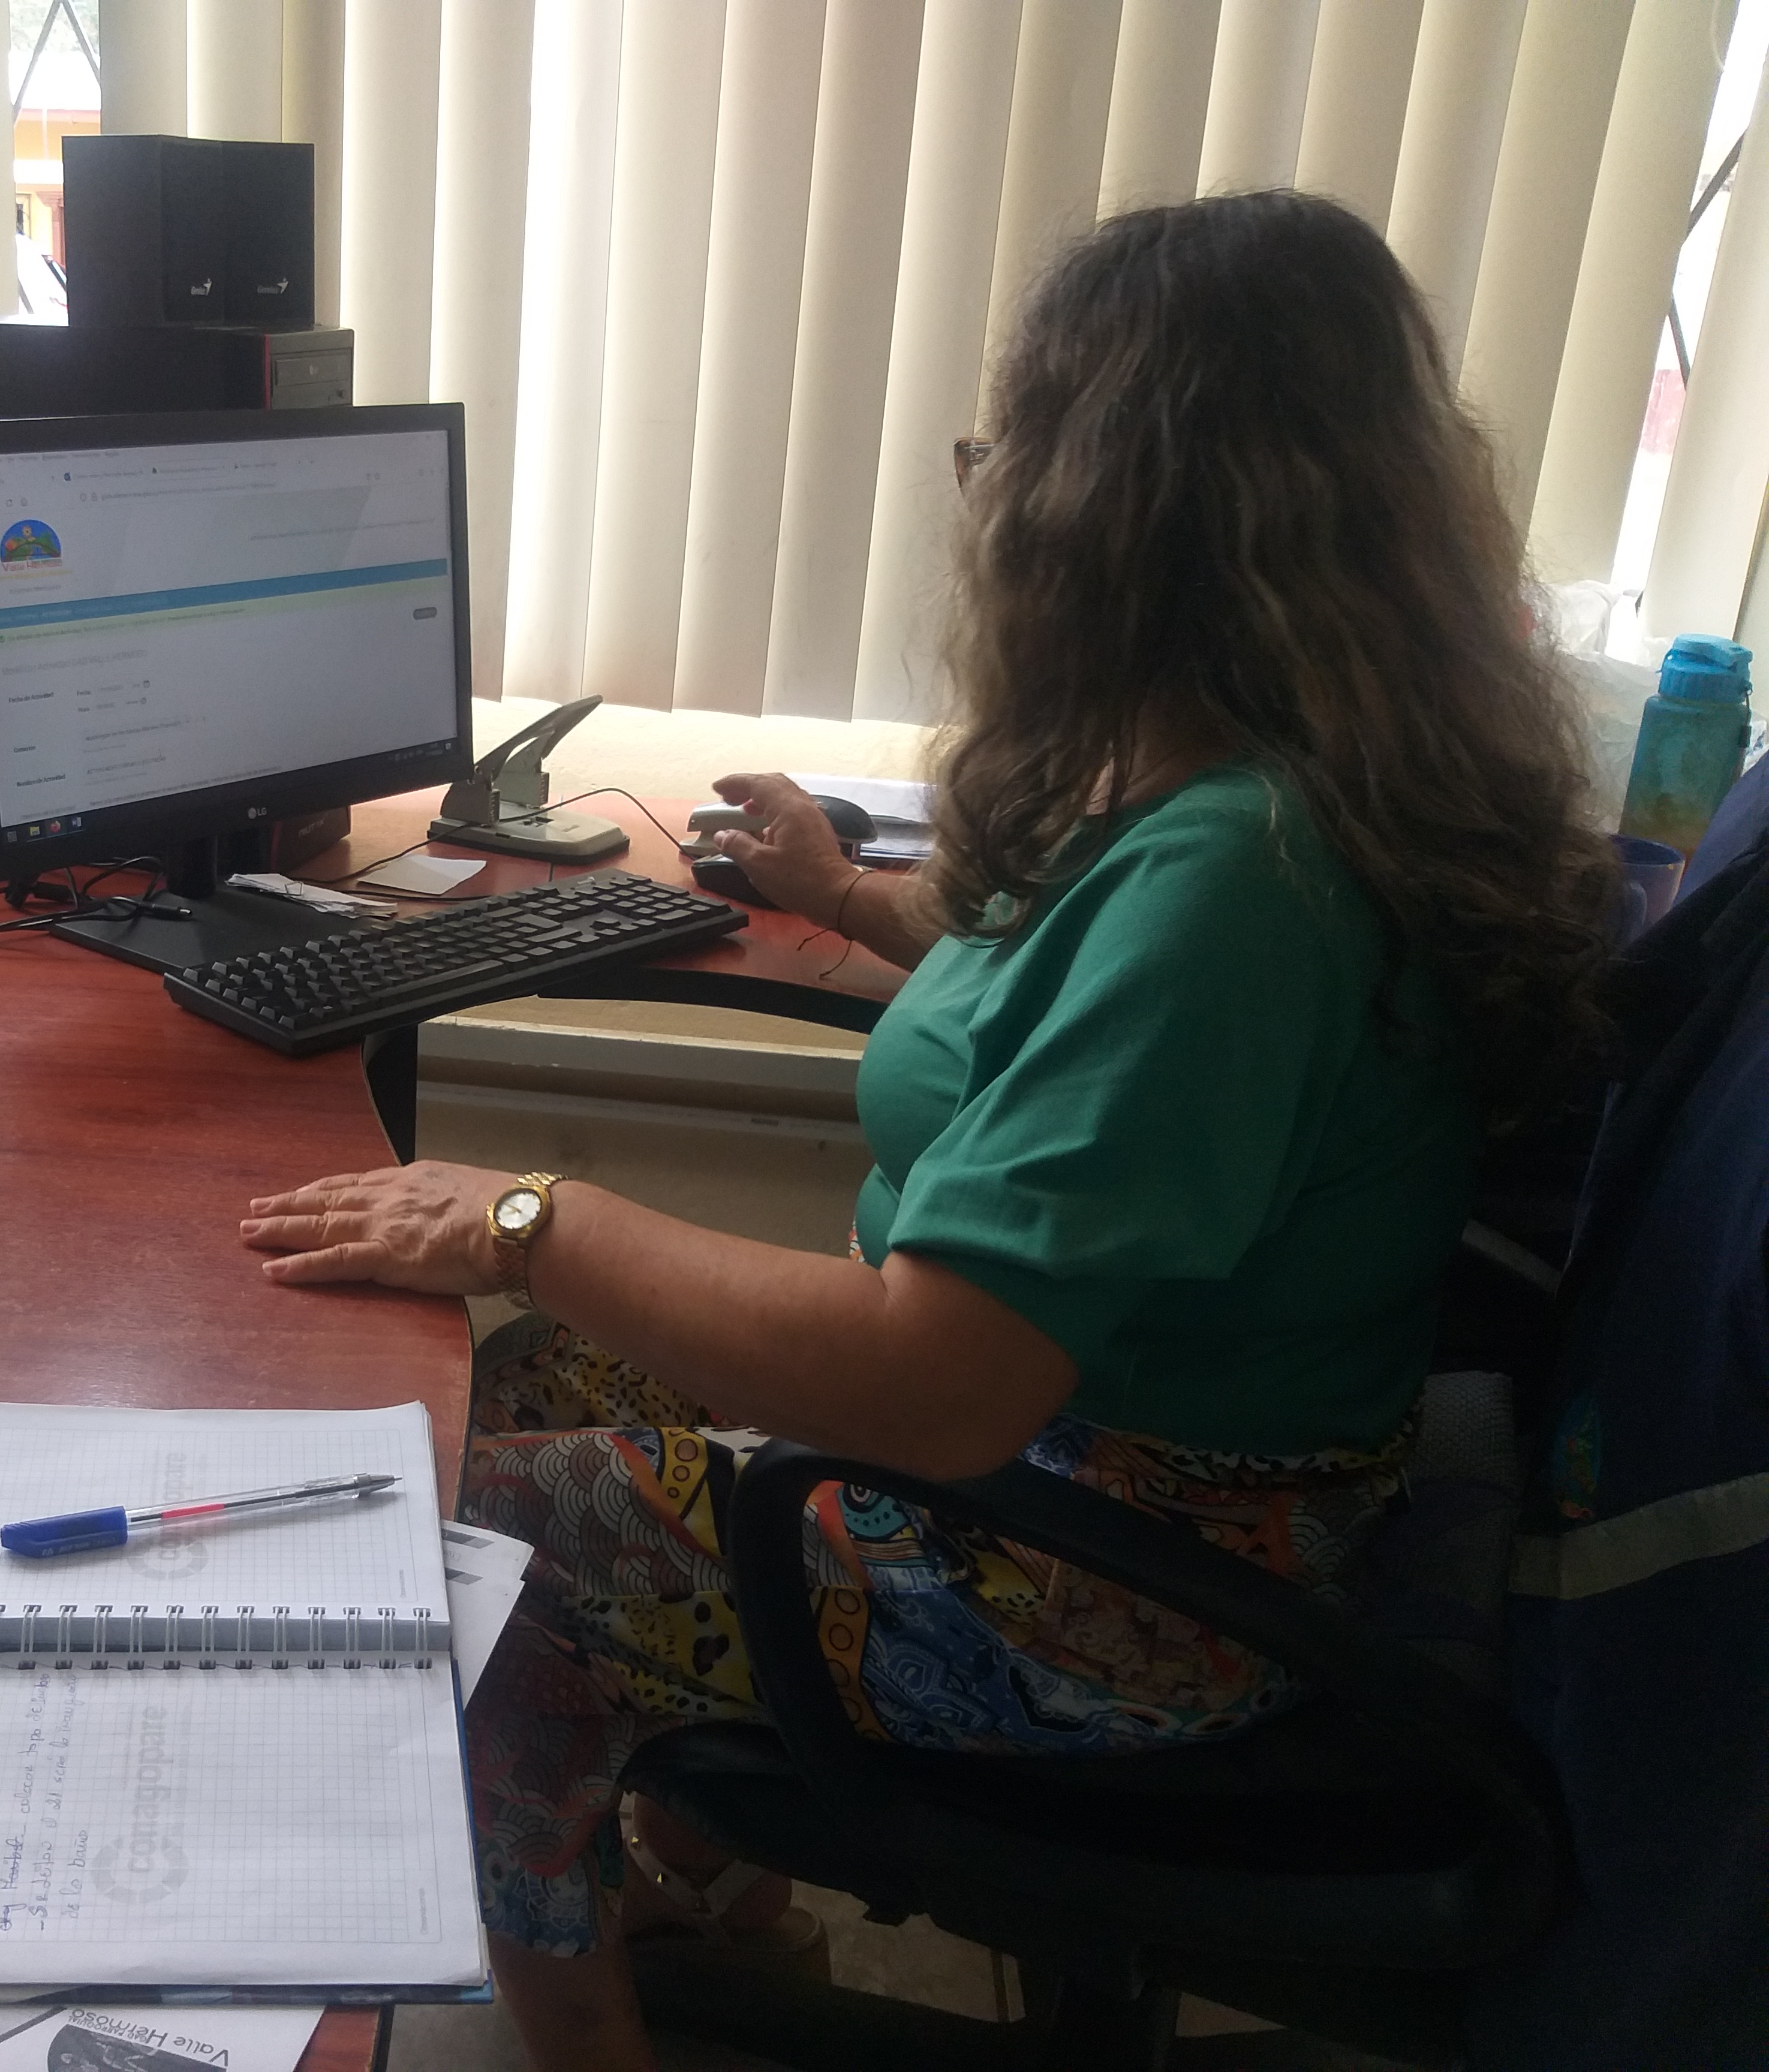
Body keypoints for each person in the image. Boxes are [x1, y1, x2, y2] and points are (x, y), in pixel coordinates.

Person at [239, 191, 1614, 2072]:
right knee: (524, 1383)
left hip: (1112, 1575)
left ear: (1107, 505)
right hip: (1133, 1469)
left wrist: (526, 1213)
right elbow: (1065, 1010)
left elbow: (938, 1388)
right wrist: (852, 900)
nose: (981, 489)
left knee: (469, 1546)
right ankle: (720, 1897)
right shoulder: (1247, 783)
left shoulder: (1239, 886)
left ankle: (585, 2032)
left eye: (1005, 449)